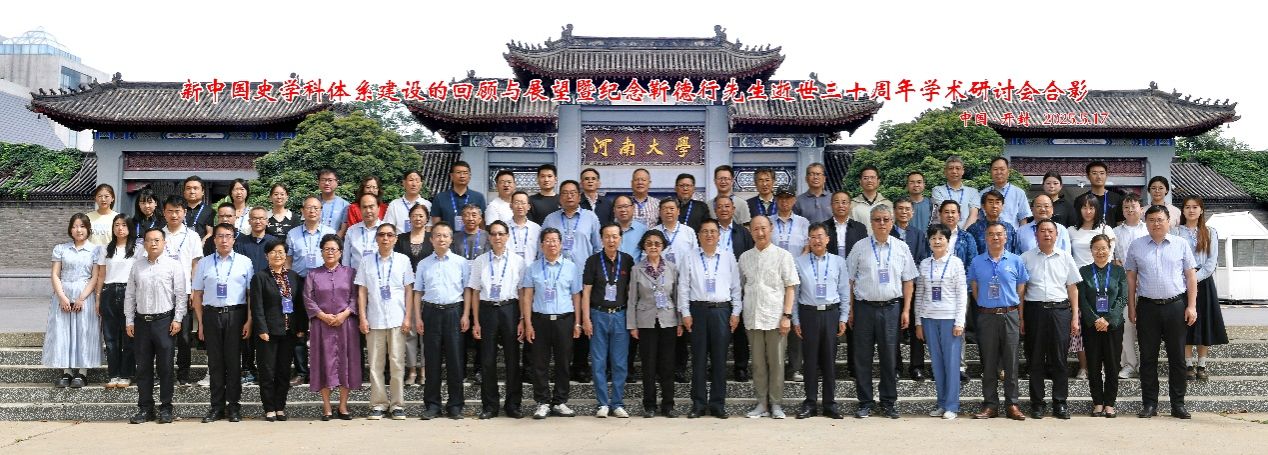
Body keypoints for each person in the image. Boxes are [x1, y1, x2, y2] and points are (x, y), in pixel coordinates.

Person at [1126, 205, 1198, 419]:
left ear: (1168, 222)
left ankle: (1178, 404)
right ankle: (1149, 404)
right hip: (1147, 307)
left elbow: (1191, 277)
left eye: (1160, 219)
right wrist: (1132, 306)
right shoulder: (1136, 245)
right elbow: (1131, 279)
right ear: (1146, 222)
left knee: (1177, 358)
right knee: (1148, 358)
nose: (1156, 223)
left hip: (1175, 306)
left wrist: (1191, 306)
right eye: (1151, 220)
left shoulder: (1180, 244)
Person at [847, 205, 917, 419]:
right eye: (877, 219)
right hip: (864, 308)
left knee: (889, 357)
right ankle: (865, 402)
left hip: (891, 308)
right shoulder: (860, 247)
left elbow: (908, 281)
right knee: (862, 357)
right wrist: (850, 310)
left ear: (892, 222)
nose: (882, 223)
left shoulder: (901, 247)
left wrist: (906, 310)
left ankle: (888, 402)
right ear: (871, 222)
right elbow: (849, 281)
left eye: (886, 219)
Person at [679, 219, 742, 419]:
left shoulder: (728, 257)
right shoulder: (689, 257)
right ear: (698, 235)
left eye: (713, 231)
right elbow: (683, 286)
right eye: (705, 231)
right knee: (698, 359)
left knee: (719, 359)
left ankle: (717, 404)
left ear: (719, 235)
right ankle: (698, 404)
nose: (709, 235)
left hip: (721, 311)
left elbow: (736, 287)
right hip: (697, 311)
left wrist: (736, 312)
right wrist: (685, 313)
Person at [191, 223, 255, 423]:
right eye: (220, 236)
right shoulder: (204, 263)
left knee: (234, 362)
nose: (224, 240)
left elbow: (250, 294)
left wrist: (249, 320)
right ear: (214, 239)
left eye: (228, 236)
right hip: (211, 315)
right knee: (215, 363)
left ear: (234, 239)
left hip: (236, 315)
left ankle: (234, 406)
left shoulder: (245, 262)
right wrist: (201, 323)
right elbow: (197, 295)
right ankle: (216, 406)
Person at [739, 215, 800, 419]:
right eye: (755, 229)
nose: (760, 232)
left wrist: (787, 315)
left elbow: (790, 287)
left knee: (777, 363)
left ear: (771, 228)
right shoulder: (744, 257)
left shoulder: (783, 256)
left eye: (763, 228)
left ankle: (776, 404)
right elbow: (741, 287)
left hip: (776, 318)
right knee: (757, 364)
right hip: (753, 318)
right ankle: (761, 404)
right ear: (750, 231)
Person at [1020, 219, 1082, 420]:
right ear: (1036, 235)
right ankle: (1037, 404)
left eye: (1050, 231)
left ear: (1057, 235)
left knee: (1059, 359)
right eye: (1042, 231)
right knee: (1035, 359)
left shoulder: (1065, 257)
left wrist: (1075, 316)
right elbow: (1021, 291)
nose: (1047, 234)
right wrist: (1021, 317)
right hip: (1035, 311)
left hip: (1060, 311)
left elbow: (1072, 288)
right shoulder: (1025, 258)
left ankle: (1060, 403)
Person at [967, 221, 1029, 421]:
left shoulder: (1016, 261)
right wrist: (986, 305)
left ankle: (1012, 404)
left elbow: (1021, 290)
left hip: (1010, 314)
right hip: (986, 316)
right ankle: (990, 405)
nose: (995, 237)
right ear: (986, 238)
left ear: (1006, 237)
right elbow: (975, 289)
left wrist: (1019, 315)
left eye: (999, 234)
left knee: (1011, 361)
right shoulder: (977, 262)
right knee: (989, 361)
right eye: (991, 234)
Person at [125, 227, 187, 424]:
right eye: (149, 240)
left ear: (164, 243)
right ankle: (145, 408)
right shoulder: (137, 266)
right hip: (142, 322)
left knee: (165, 367)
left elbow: (180, 295)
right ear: (144, 244)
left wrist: (178, 319)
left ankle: (166, 407)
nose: (153, 243)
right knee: (143, 368)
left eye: (157, 240)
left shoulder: (173, 265)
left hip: (165, 322)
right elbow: (130, 295)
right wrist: (129, 320)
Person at [521, 227, 584, 419]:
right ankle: (542, 402)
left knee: (563, 362)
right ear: (541, 245)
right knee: (539, 363)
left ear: (561, 244)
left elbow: (576, 296)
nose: (551, 244)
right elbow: (527, 297)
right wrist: (528, 323)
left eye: (555, 240)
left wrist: (578, 322)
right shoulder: (532, 268)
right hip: (540, 320)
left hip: (564, 320)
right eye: (547, 240)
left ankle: (560, 401)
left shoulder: (571, 267)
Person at [545, 180, 603, 383]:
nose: (569, 196)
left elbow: (598, 248)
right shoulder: (551, 219)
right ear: (559, 197)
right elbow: (542, 248)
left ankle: (580, 366)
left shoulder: (590, 218)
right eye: (565, 193)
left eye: (573, 193)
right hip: (557, 279)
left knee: (582, 321)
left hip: (583, 278)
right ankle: (562, 367)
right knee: (562, 324)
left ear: (579, 196)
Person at [468, 220, 527, 419]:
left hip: (510, 309)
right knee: (487, 360)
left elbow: (522, 291)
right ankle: (490, 406)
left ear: (507, 236)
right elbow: (475, 292)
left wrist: (522, 319)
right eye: (493, 234)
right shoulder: (480, 261)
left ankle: (513, 405)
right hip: (487, 310)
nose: (497, 237)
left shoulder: (518, 261)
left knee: (512, 359)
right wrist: (476, 321)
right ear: (489, 237)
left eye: (501, 233)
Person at [791, 223, 849, 419]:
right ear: (809, 240)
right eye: (813, 237)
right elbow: (795, 294)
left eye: (820, 236)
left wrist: (843, 317)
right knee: (810, 361)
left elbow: (844, 291)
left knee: (829, 361)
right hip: (809, 315)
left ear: (828, 239)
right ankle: (809, 403)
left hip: (831, 314)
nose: (817, 240)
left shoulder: (838, 262)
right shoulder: (799, 262)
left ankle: (830, 404)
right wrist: (796, 320)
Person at [360, 223, 415, 421]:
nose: (385, 238)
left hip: (397, 319)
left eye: (389, 235)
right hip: (374, 319)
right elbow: (362, 291)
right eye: (381, 235)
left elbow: (409, 290)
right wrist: (363, 317)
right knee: (375, 364)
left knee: (397, 363)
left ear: (395, 239)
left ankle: (397, 405)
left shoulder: (403, 260)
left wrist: (408, 317)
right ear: (376, 238)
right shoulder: (366, 261)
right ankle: (378, 404)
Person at [413, 222, 468, 420]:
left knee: (455, 361)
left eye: (445, 236)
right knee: (432, 361)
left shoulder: (461, 263)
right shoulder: (423, 263)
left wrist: (465, 315)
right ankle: (432, 405)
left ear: (451, 239)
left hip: (454, 312)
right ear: (431, 239)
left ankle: (455, 405)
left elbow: (467, 290)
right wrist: (418, 317)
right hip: (431, 313)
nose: (441, 239)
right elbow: (418, 292)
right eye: (437, 235)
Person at [250, 240, 308, 422]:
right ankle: (269, 408)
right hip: (268, 333)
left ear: (285, 255)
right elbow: (257, 306)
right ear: (266, 255)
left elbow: (300, 304)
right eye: (273, 252)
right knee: (267, 372)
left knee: (283, 372)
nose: (278, 255)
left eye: (281, 252)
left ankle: (280, 407)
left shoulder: (294, 277)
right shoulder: (260, 277)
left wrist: (301, 327)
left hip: (288, 332)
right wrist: (261, 329)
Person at [304, 234, 361, 421]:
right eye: (326, 249)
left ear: (340, 252)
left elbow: (356, 297)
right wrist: (322, 315)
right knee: (323, 362)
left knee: (346, 363)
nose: (330, 252)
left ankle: (343, 406)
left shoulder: (350, 273)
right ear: (321, 252)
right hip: (322, 325)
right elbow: (308, 298)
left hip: (346, 324)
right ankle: (327, 407)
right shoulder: (313, 274)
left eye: (333, 249)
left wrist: (345, 314)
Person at [915, 223, 968, 419]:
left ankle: (952, 406)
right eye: (933, 238)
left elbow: (962, 294)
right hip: (929, 318)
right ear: (929, 241)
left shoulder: (956, 263)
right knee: (936, 364)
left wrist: (960, 322)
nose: (937, 241)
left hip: (949, 319)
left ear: (947, 241)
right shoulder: (924, 264)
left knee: (952, 363)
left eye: (941, 238)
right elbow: (919, 294)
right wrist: (918, 322)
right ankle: (941, 403)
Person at [581, 223, 635, 418]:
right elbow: (586, 292)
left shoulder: (627, 260)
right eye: (607, 236)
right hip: (598, 315)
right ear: (601, 239)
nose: (611, 240)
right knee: (598, 361)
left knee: (620, 362)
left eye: (615, 236)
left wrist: (632, 319)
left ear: (620, 238)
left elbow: (630, 292)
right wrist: (586, 319)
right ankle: (602, 403)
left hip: (620, 315)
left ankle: (617, 403)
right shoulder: (593, 261)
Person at [1172, 196, 1229, 380]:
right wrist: (1186, 280)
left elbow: (1211, 262)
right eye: (1187, 207)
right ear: (1182, 210)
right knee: (1184, 323)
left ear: (1201, 210)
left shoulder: (1210, 232)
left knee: (1204, 323)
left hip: (1204, 282)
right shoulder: (1175, 232)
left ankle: (1202, 365)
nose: (1191, 210)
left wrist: (1193, 278)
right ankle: (1188, 364)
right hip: (1181, 283)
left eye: (1195, 207)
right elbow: (1173, 259)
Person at [627, 230, 682, 418]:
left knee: (667, 364)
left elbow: (677, 296)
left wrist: (680, 322)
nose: (653, 247)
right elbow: (632, 299)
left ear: (663, 246)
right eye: (649, 243)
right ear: (644, 246)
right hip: (646, 321)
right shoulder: (637, 269)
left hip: (668, 320)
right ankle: (649, 405)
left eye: (657, 243)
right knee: (648, 365)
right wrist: (632, 325)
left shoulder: (672, 268)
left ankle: (668, 405)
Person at [45, 213, 103, 388]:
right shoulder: (61, 249)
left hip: (85, 295)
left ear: (88, 229)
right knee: (63, 332)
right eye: (75, 226)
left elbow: (95, 277)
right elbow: (55, 274)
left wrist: (81, 298)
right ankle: (66, 372)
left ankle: (82, 373)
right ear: (70, 229)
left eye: (82, 226)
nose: (79, 230)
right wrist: (62, 297)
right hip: (63, 294)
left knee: (84, 332)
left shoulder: (96, 250)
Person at [286, 196, 337, 386]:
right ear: (302, 211)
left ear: (321, 211)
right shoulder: (293, 234)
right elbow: (288, 261)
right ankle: (301, 371)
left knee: (324, 326)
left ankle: (325, 370)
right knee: (299, 329)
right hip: (299, 282)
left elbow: (336, 259)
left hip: (324, 281)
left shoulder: (330, 232)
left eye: (316, 208)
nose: (312, 211)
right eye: (309, 207)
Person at [1077, 234, 1127, 418]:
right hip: (1092, 326)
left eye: (1103, 248)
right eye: (1096, 248)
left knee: (1113, 365)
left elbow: (1122, 297)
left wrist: (1108, 319)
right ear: (1091, 250)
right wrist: (1095, 319)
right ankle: (1098, 402)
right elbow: (1082, 299)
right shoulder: (1084, 272)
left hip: (1113, 326)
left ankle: (1110, 403)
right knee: (1093, 364)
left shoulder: (1118, 271)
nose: (1100, 252)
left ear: (1109, 249)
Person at [1069, 192, 1117, 379]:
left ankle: (1101, 366)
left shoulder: (1106, 229)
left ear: (1097, 210)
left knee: (1101, 322)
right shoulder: (1071, 231)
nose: (1088, 211)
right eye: (1084, 207)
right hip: (1079, 283)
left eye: (1091, 207)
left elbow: (1110, 256)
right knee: (1081, 325)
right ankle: (1083, 366)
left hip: (1101, 283)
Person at [160, 196, 202, 386]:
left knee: (184, 336)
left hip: (184, 291)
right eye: (170, 211)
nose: (174, 215)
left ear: (185, 212)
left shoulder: (192, 236)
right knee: (163, 336)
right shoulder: (158, 235)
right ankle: (165, 373)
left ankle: (183, 374)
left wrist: (194, 290)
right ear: (164, 213)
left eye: (177, 211)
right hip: (162, 293)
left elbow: (195, 265)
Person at [394, 203, 433, 386]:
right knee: (409, 331)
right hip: (406, 290)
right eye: (414, 215)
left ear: (427, 219)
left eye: (421, 215)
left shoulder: (432, 238)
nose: (417, 218)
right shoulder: (401, 239)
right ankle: (411, 370)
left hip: (427, 290)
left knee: (425, 331)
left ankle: (424, 370)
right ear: (409, 218)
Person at [97, 214, 136, 389]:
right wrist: (98, 298)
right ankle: (113, 374)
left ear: (130, 227)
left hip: (129, 292)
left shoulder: (137, 248)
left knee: (129, 336)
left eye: (124, 225)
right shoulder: (106, 249)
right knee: (110, 338)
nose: (120, 228)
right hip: (109, 292)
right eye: (117, 225)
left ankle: (126, 374)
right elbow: (101, 275)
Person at [892, 198, 930, 381]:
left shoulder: (918, 234)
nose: (904, 212)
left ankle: (917, 366)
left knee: (917, 327)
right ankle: (895, 367)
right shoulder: (888, 232)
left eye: (907, 209)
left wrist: (909, 276)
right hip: (892, 288)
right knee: (893, 329)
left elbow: (922, 258)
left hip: (914, 286)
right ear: (894, 211)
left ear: (912, 213)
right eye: (900, 208)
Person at [1112, 193, 1148, 379]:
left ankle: (1145, 364)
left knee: (1146, 327)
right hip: (1124, 285)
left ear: (1141, 209)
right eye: (1126, 207)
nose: (1130, 210)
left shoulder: (1149, 229)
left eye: (1133, 206)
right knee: (1126, 326)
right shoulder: (1115, 232)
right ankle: (1129, 364)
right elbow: (1112, 257)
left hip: (1148, 285)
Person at [431, 161, 487, 232]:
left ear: (469, 176)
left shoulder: (478, 197)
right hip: (447, 238)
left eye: (465, 173)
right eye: (458, 172)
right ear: (451, 176)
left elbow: (482, 225)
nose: (462, 176)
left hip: (472, 238)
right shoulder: (440, 198)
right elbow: (436, 226)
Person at [931, 155, 980, 229]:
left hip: (967, 232)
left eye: (958, 168)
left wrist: (963, 233)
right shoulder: (938, 190)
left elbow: (973, 215)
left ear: (963, 171)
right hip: (944, 232)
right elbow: (942, 213)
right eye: (951, 168)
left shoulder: (973, 192)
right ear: (945, 171)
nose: (954, 171)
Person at [968, 190, 1022, 256]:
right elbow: (970, 255)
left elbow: (1016, 252)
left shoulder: (1009, 228)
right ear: (983, 206)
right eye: (990, 202)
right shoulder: (974, 229)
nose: (994, 206)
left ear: (1002, 206)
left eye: (997, 202)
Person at [983, 157, 1031, 226]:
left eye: (1002, 169)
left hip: (1012, 232)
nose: (999, 172)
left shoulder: (1019, 193)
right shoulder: (983, 193)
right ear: (990, 172)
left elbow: (1023, 219)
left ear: (1008, 172)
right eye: (995, 169)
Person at [345, 193, 386, 270]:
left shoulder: (387, 230)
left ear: (378, 208)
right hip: (356, 276)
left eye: (371, 207)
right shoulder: (351, 231)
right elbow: (346, 259)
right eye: (364, 207)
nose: (368, 210)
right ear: (360, 209)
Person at [654, 198, 698, 266]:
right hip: (660, 272)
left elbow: (696, 256)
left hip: (684, 271)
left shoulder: (689, 232)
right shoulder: (653, 232)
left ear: (678, 211)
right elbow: (646, 257)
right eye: (664, 209)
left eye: (672, 209)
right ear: (659, 212)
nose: (668, 212)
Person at [1079, 161, 1124, 228]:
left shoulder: (1117, 198)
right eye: (1094, 173)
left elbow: (1120, 223)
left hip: (1111, 234)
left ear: (1106, 175)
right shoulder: (1081, 199)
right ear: (1088, 176)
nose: (1099, 177)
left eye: (1102, 173)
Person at [851, 166, 892, 234]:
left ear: (878, 181)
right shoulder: (852, 204)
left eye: (872, 177)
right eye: (865, 178)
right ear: (860, 181)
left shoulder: (888, 204)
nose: (869, 180)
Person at [509, 191, 542, 262]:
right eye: (516, 203)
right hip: (509, 267)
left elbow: (540, 252)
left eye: (523, 203)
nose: (520, 206)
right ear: (511, 206)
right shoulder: (504, 228)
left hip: (531, 267)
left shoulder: (536, 228)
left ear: (528, 207)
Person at [316, 169, 350, 236]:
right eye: (323, 180)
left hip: (336, 241)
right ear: (318, 182)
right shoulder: (312, 202)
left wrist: (333, 241)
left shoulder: (345, 205)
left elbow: (343, 230)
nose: (326, 183)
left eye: (330, 180)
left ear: (337, 182)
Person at [183, 175, 215, 241]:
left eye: (195, 188)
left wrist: (200, 245)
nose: (192, 192)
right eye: (188, 188)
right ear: (184, 192)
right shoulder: (179, 210)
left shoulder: (209, 211)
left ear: (202, 192)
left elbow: (209, 233)